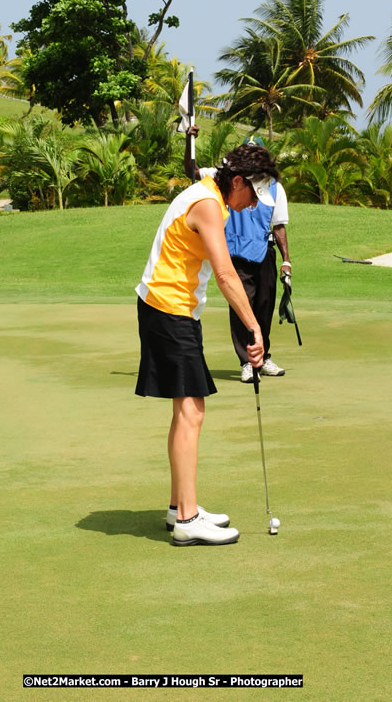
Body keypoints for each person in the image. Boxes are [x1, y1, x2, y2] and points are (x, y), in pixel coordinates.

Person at [135, 145, 274, 546]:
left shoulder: (211, 192)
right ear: (237, 182)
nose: (253, 205)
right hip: (168, 308)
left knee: (186, 410)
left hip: (173, 309)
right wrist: (254, 327)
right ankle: (187, 519)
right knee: (192, 410)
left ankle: (180, 506)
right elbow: (227, 274)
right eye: (253, 194)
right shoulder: (209, 204)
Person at [185, 131, 291, 383]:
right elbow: (191, 171)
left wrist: (286, 260)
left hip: (264, 252)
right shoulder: (225, 176)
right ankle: (246, 362)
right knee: (241, 307)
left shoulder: (275, 188)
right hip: (235, 252)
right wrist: (189, 141)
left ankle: (263, 358)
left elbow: (279, 226)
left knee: (264, 307)